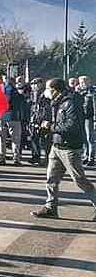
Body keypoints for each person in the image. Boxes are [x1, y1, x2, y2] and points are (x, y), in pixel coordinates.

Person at [31, 78, 96, 221]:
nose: (46, 92)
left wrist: (50, 126)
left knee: (80, 180)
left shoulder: (71, 102)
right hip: (57, 145)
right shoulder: (57, 102)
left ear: (55, 90)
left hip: (70, 148)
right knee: (51, 179)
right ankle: (50, 208)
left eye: (48, 89)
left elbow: (71, 126)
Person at [79, 75, 96, 167]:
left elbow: (95, 106)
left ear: (89, 82)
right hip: (82, 117)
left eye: (84, 82)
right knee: (84, 138)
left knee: (90, 138)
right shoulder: (80, 92)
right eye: (81, 82)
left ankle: (91, 158)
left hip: (90, 118)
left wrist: (95, 120)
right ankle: (85, 156)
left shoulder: (92, 92)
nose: (82, 84)